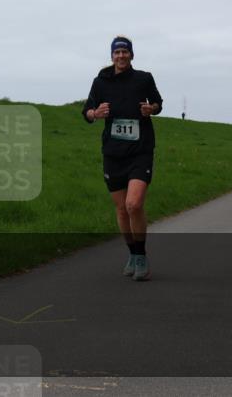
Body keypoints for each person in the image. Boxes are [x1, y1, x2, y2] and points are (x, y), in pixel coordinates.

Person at [82, 35, 163, 281]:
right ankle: (131, 253)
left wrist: (152, 109)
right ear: (112, 56)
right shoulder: (101, 81)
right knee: (120, 209)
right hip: (113, 153)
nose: (121, 56)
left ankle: (141, 256)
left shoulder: (144, 78)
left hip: (140, 150)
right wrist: (95, 113)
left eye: (125, 52)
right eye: (117, 53)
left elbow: (158, 103)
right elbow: (86, 111)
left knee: (133, 205)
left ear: (131, 55)